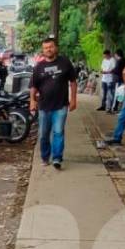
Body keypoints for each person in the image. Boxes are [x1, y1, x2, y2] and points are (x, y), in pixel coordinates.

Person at [29, 37, 77, 169]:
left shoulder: (65, 62)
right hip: (44, 106)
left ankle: (57, 158)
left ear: (56, 48)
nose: (48, 50)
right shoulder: (39, 67)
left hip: (61, 105)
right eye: (45, 48)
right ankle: (45, 157)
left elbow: (73, 82)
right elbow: (33, 86)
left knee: (58, 132)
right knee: (44, 134)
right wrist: (32, 100)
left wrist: (73, 100)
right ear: (43, 50)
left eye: (50, 47)